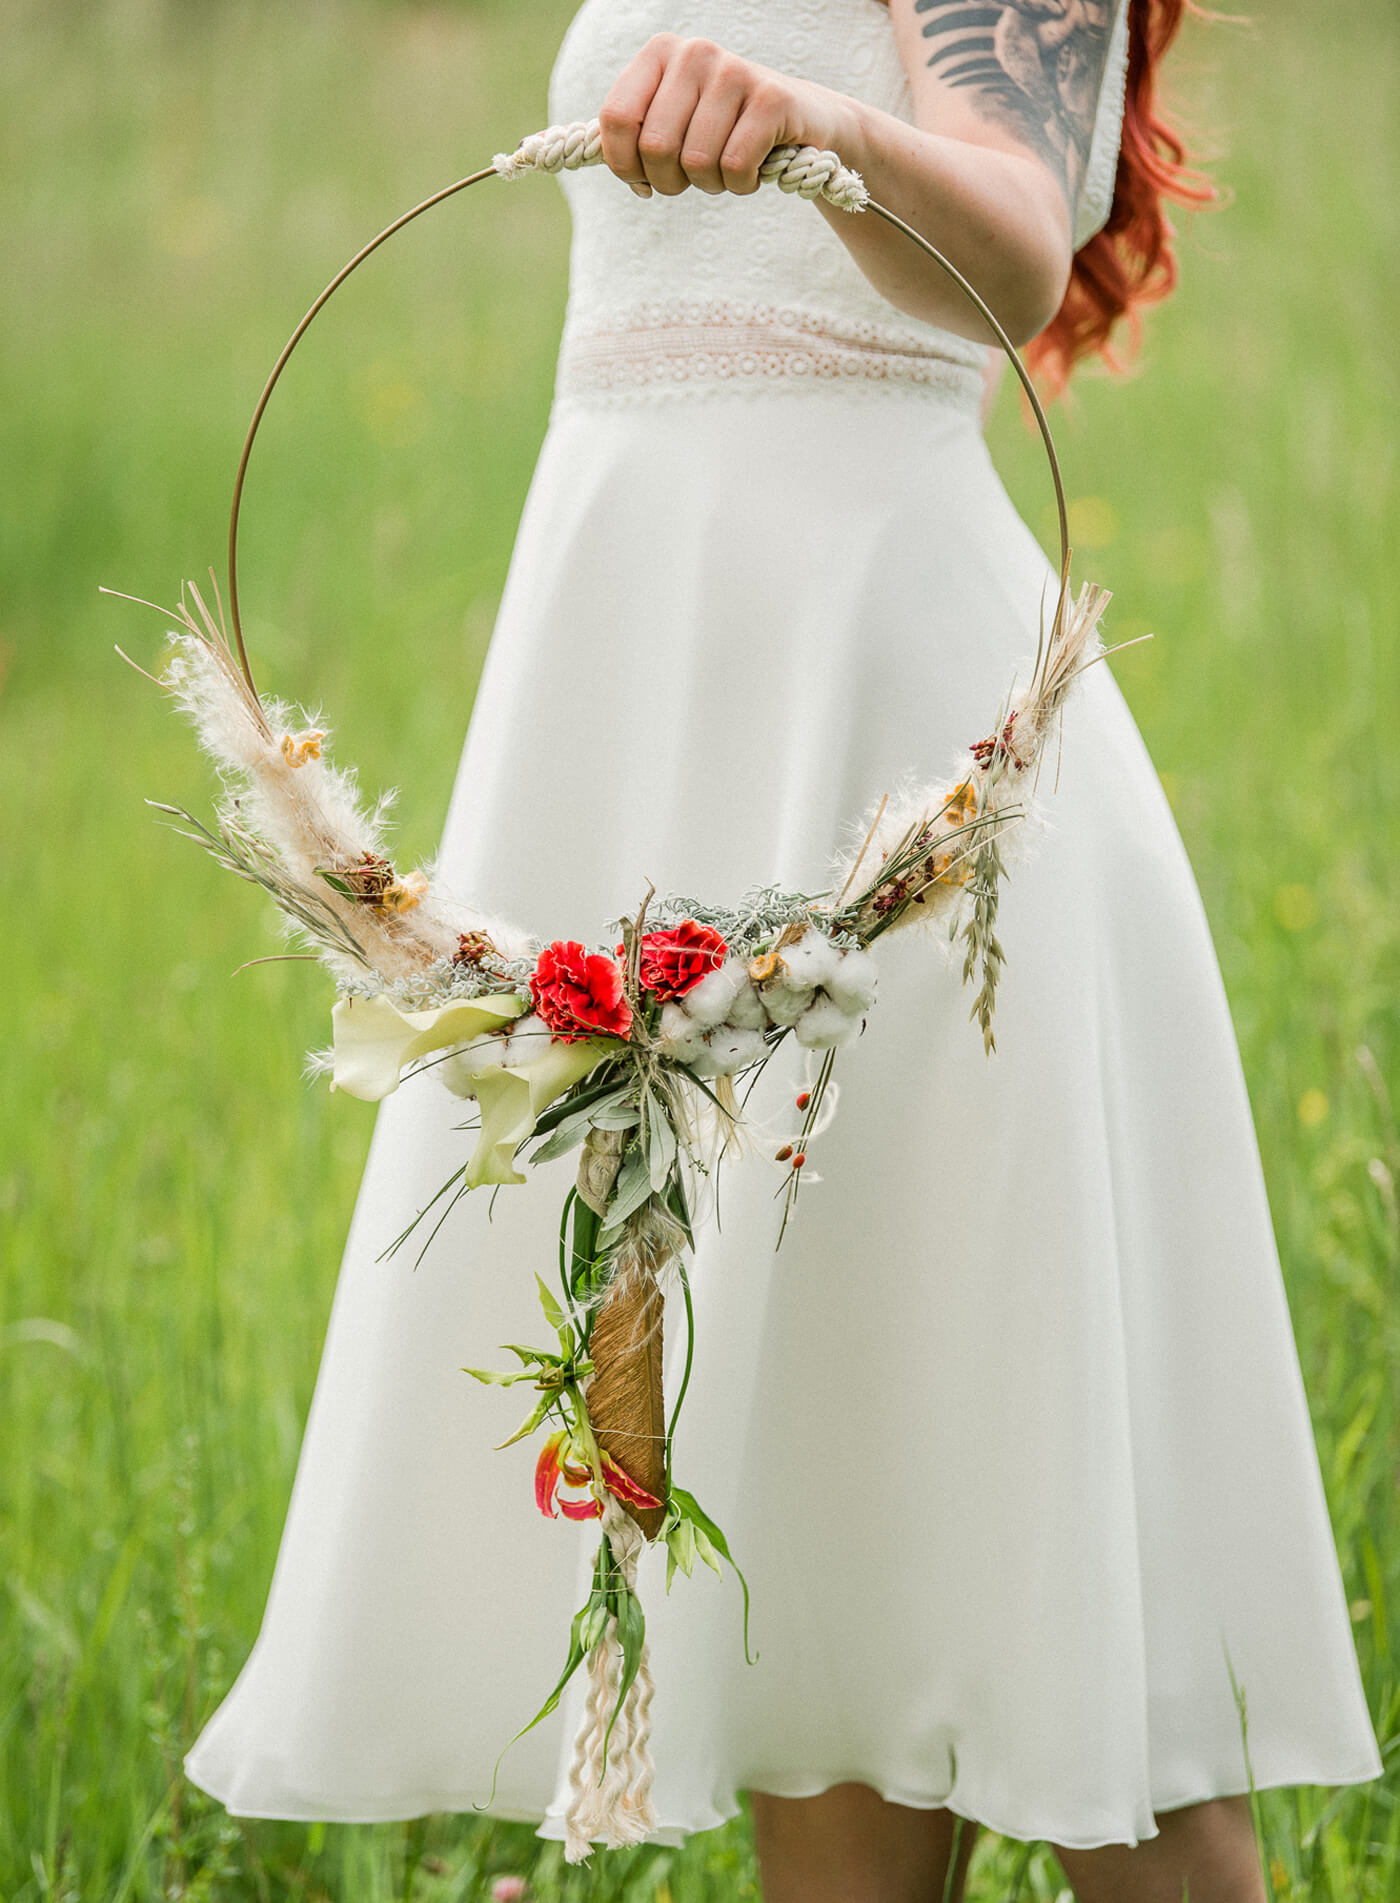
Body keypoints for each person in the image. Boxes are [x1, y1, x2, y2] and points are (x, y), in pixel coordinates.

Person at [185, 4, 1382, 1899]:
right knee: (806, 1569)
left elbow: (1008, 222)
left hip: (889, 737)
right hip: (649, 689)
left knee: (1054, 1580)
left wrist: (810, 121)